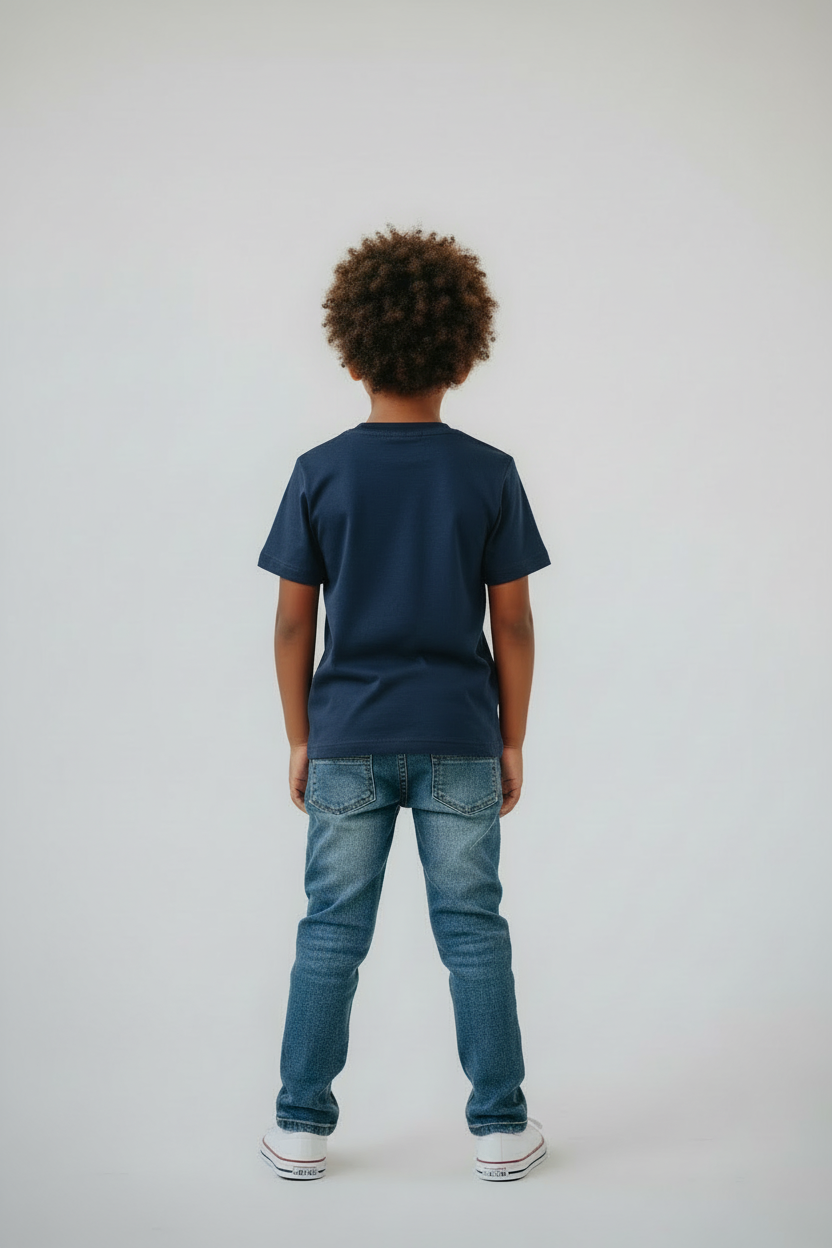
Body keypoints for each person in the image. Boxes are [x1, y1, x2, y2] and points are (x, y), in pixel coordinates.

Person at [256, 224, 551, 1182]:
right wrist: (512, 740)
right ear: (463, 350)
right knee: (474, 931)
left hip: (346, 738)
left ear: (354, 344)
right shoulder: (489, 472)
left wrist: (301, 738)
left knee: (331, 932)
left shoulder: (320, 470)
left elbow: (295, 628)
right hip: (462, 737)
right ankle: (501, 1128)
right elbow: (513, 627)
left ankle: (300, 1126)